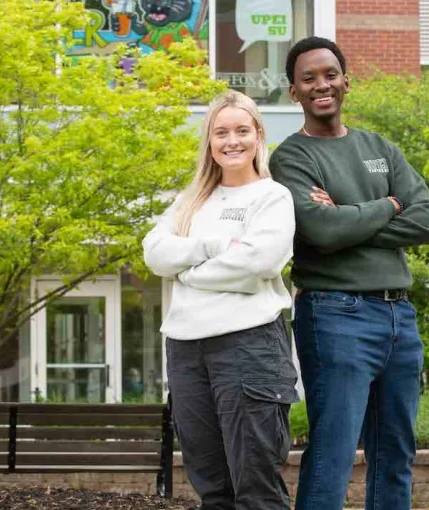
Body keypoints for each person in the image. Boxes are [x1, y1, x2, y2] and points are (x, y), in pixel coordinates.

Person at [269, 36, 429, 510]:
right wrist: (387, 205)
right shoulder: (292, 158)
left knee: (396, 452)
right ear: (294, 92)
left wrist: (349, 214)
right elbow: (321, 232)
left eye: (329, 75)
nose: (321, 85)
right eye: (309, 79)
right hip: (334, 314)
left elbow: (426, 221)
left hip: (399, 318)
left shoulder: (379, 147)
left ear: (347, 81)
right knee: (334, 451)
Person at [142, 90, 299, 510]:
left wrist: (188, 273)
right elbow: (155, 253)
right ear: (209, 142)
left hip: (248, 348)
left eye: (242, 130)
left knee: (256, 488)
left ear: (258, 136)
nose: (232, 141)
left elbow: (258, 261)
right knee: (212, 489)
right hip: (186, 351)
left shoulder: (273, 197)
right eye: (222, 132)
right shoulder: (191, 200)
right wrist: (211, 248)